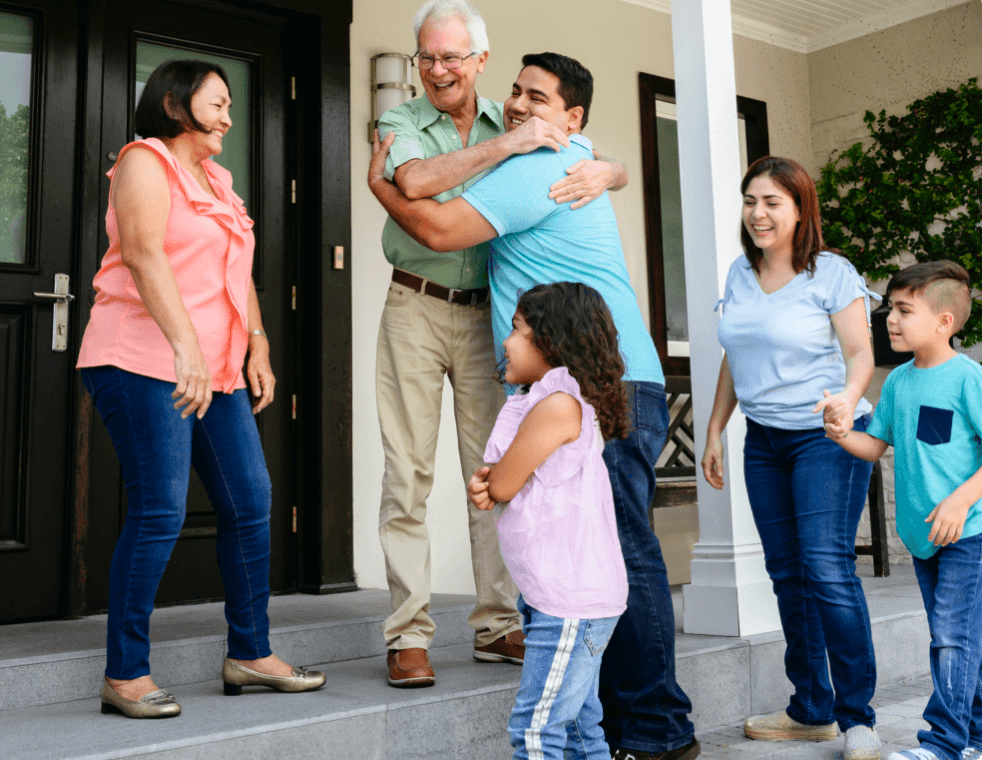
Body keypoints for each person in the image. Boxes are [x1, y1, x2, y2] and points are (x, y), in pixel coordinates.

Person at [369, 52, 698, 760]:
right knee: (605, 557)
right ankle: (621, 727)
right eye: (514, 91)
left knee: (621, 557)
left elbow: (435, 231)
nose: (517, 105)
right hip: (603, 385)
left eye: (536, 96)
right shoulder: (566, 154)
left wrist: (378, 185)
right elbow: (605, 158)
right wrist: (613, 167)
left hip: (602, 390)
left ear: (571, 117)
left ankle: (658, 732)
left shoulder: (534, 166)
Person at [373, 0, 626, 688]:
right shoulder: (402, 119)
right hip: (416, 304)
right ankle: (408, 632)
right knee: (408, 473)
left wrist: (613, 171)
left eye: (454, 56)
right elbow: (416, 181)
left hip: (492, 318)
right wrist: (510, 146)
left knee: (497, 466)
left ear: (480, 60)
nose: (438, 69)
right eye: (427, 56)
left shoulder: (511, 113)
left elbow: (591, 152)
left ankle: (497, 623)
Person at [77, 60, 324, 718]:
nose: (228, 117)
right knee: (160, 508)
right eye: (217, 103)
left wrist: (258, 343)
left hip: (214, 370)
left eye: (230, 105)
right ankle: (125, 673)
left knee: (250, 500)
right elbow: (143, 252)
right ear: (175, 102)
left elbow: (236, 268)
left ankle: (249, 652)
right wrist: (185, 343)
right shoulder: (144, 160)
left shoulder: (219, 179)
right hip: (138, 359)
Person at [701, 156, 880, 760]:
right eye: (751, 200)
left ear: (801, 209)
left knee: (827, 569)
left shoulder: (829, 272)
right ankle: (810, 709)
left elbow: (860, 353)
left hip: (825, 436)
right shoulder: (739, 272)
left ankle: (858, 718)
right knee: (787, 575)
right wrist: (716, 428)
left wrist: (848, 399)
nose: (758, 213)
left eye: (773, 201)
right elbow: (736, 353)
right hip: (765, 441)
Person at [824, 261, 982, 760]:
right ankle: (974, 737)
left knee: (952, 638)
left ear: (944, 322)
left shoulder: (967, 380)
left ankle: (941, 744)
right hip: (923, 536)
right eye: (890, 308)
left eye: (903, 310)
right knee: (957, 637)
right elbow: (876, 446)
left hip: (969, 535)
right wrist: (839, 432)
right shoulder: (897, 384)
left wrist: (960, 500)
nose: (889, 319)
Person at [467, 282, 629, 760]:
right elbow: (506, 478)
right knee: (581, 732)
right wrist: (494, 481)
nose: (505, 341)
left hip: (569, 604)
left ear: (552, 340)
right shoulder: (559, 401)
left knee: (536, 732)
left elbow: (502, 484)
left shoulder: (557, 405)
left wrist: (491, 482)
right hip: (566, 598)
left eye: (517, 330)